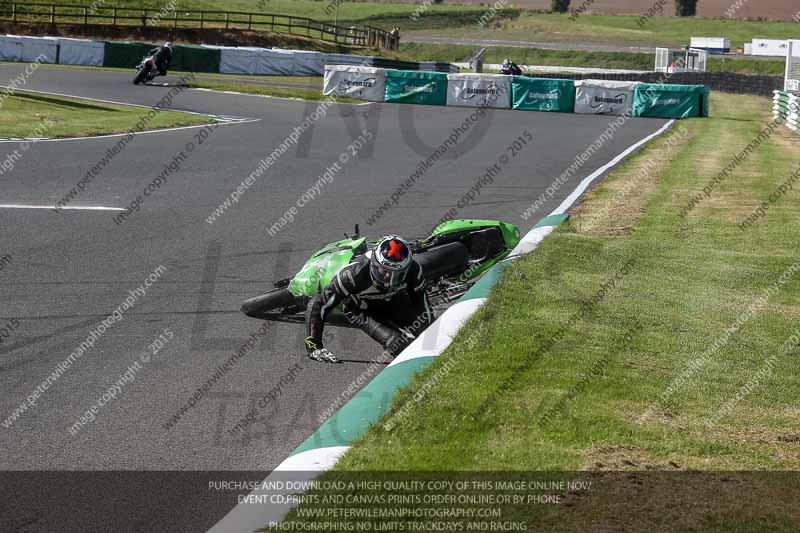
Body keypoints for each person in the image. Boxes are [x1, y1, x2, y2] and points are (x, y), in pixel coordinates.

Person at [304, 236, 434, 363]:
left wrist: (431, 335)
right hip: (361, 310)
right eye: (383, 271)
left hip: (394, 300)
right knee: (398, 343)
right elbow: (319, 303)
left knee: (427, 333)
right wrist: (314, 346)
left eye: (396, 274)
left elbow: (423, 305)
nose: (388, 278)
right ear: (373, 263)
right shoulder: (352, 275)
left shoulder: (414, 270)